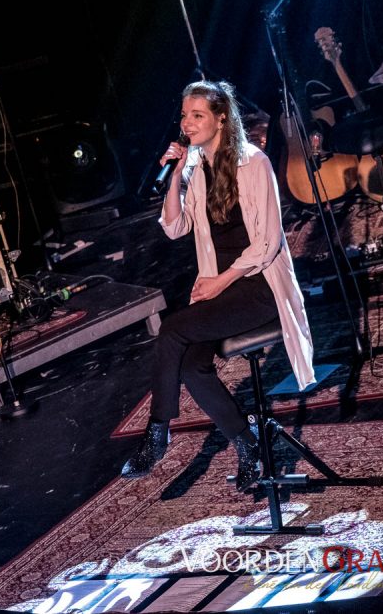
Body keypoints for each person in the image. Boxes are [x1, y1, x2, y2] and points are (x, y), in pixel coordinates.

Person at [121, 80, 314, 489]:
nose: (187, 124)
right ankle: (247, 444)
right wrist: (176, 175)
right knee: (191, 364)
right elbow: (175, 227)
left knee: (172, 329)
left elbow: (268, 243)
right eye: (184, 116)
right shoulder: (194, 168)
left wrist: (218, 283)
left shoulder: (254, 162)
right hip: (220, 287)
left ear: (221, 117)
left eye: (197, 115)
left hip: (259, 283)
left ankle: (157, 435)